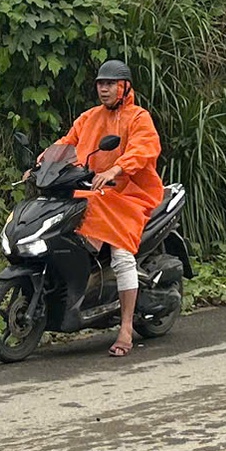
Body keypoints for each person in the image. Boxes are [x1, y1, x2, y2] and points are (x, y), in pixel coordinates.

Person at [49, 59, 165, 358]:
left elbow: (144, 149)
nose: (104, 88)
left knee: (121, 254)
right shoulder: (89, 118)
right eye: (101, 83)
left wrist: (117, 169)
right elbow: (66, 143)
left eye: (110, 83)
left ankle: (125, 327)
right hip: (92, 192)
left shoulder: (139, 118)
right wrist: (41, 163)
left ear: (124, 87)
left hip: (130, 195)